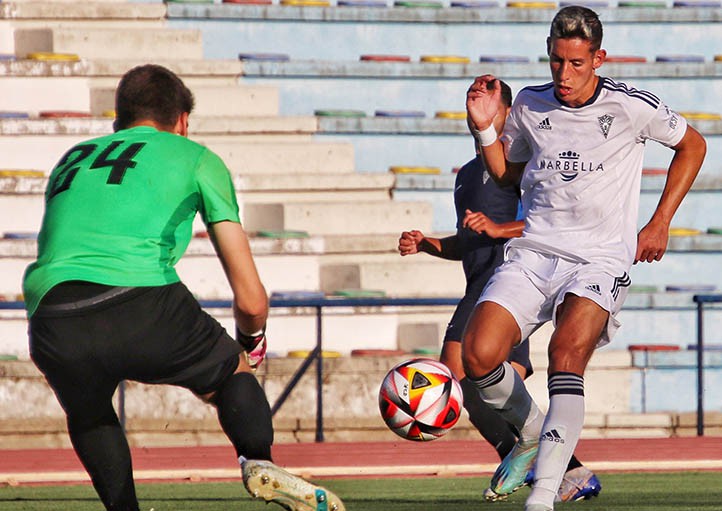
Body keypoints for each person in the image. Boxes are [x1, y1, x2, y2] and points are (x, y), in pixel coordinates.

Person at [22, 64, 345, 511]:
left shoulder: (72, 158)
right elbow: (251, 298)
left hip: (50, 313)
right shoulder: (194, 156)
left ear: (117, 122)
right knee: (231, 371)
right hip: (137, 297)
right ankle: (259, 461)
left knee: (89, 410)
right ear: (182, 122)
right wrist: (249, 343)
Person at [462, 6, 706, 511]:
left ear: (598, 57)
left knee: (564, 358)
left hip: (598, 259)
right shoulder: (529, 104)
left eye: (576, 63)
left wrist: (660, 222)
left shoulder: (630, 105)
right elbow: (509, 176)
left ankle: (546, 494)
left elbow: (693, 146)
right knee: (478, 357)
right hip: (534, 253)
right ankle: (532, 435)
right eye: (556, 62)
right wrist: (486, 129)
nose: (565, 74)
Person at [398, 79, 601, 503]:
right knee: (475, 392)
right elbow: (466, 241)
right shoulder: (469, 175)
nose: (481, 111)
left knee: (455, 376)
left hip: (512, 280)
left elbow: (550, 224)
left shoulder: (523, 167)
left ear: (508, 115)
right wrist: (428, 245)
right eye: (473, 101)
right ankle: (569, 470)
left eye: (490, 104)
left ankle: (525, 455)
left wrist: (498, 229)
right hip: (481, 285)